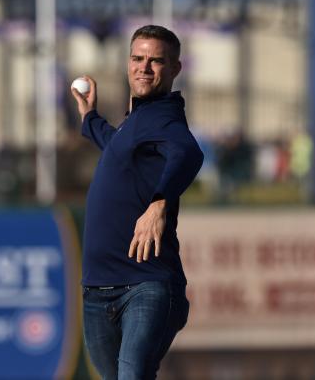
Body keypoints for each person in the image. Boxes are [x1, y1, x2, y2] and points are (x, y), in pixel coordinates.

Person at [70, 25, 204, 380]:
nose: (144, 67)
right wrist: (90, 119)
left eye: (156, 61)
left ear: (175, 69)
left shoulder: (165, 116)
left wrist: (160, 203)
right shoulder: (138, 120)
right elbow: (117, 147)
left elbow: (188, 153)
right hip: (98, 288)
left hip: (146, 285)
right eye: (137, 58)